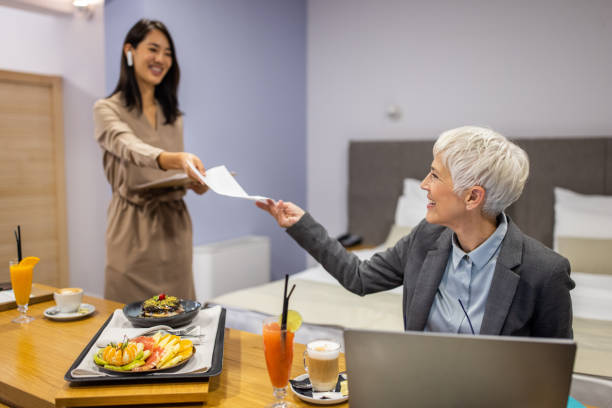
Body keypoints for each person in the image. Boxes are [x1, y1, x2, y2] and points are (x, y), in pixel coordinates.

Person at [257, 126, 574, 338]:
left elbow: (551, 376)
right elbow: (361, 277)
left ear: (473, 197)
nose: (424, 184)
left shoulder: (545, 272)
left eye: (435, 175)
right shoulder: (426, 238)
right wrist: (301, 224)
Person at [94, 19, 208, 303]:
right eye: (153, 49)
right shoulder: (107, 109)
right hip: (132, 230)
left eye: (168, 53)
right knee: (127, 324)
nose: (161, 59)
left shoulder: (173, 116)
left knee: (180, 323)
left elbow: (174, 173)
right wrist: (175, 159)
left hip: (175, 228)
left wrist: (196, 182)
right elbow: (128, 145)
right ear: (129, 51)